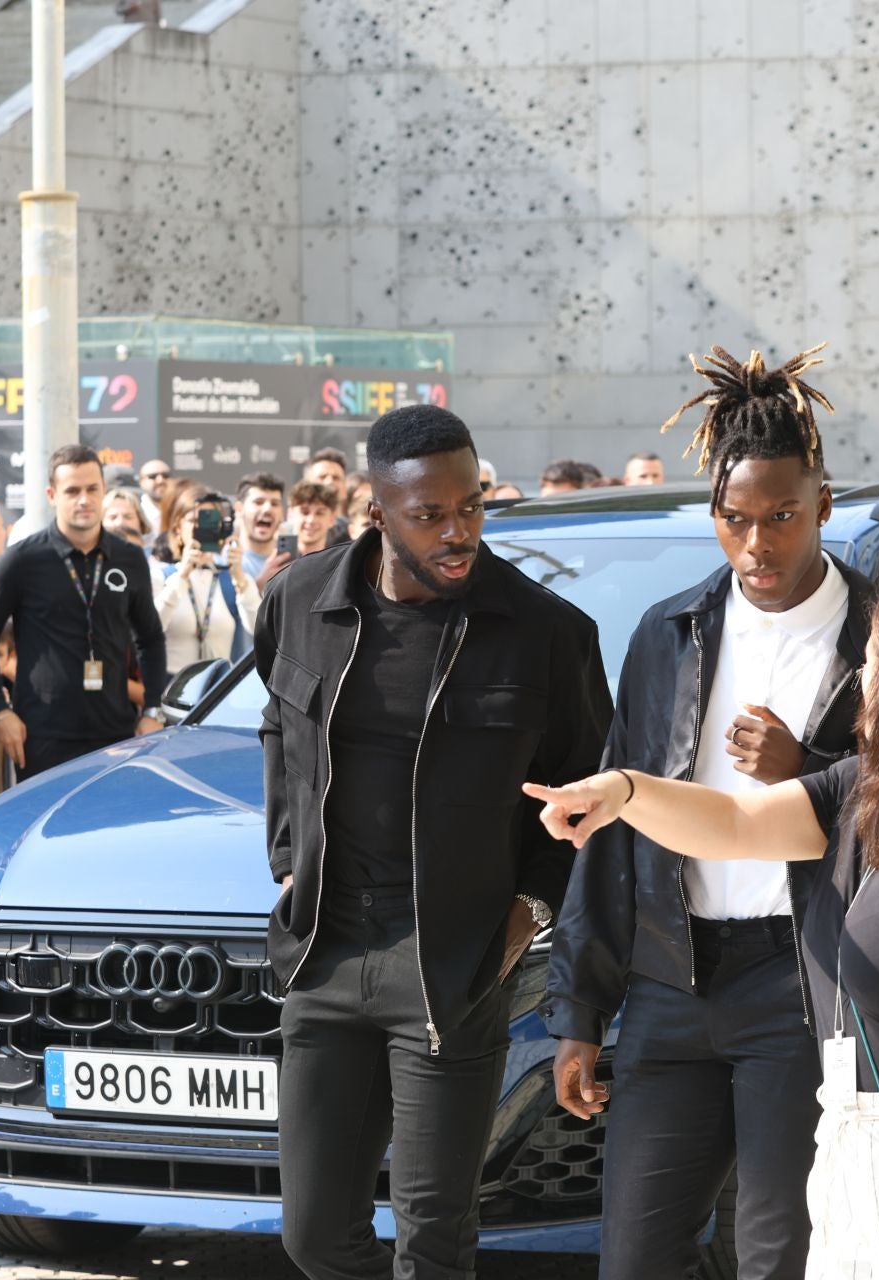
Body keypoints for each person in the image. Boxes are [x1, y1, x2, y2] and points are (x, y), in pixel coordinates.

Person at [527, 571, 879, 1280]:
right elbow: (733, 823)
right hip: (869, 1141)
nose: (863, 681)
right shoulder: (874, 787)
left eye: (876, 663)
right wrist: (622, 790)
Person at [258, 405, 611, 1280]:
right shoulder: (301, 598)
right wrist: (289, 856)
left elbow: (588, 799)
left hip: (452, 959)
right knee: (312, 1233)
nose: (458, 533)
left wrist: (529, 910)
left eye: (472, 507)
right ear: (376, 510)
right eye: (430, 515)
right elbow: (277, 727)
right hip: (326, 948)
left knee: (432, 1237)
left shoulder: (546, 633)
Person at [544, 343, 871, 1279]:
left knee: (780, 1256)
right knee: (636, 1258)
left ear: (824, 506)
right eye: (736, 521)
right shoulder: (670, 632)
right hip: (671, 982)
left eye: (783, 517)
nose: (759, 545)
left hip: (804, 983)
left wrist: (808, 769)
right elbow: (620, 827)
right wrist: (580, 1008)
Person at [0, 444, 167, 780]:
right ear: (52, 495)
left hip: (116, 734)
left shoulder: (129, 558)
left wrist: (152, 710)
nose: (84, 499)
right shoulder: (22, 560)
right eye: (72, 490)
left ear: (104, 490)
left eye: (92, 489)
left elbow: (150, 639)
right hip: (42, 736)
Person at [156, 489, 259, 677]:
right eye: (194, 521)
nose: (202, 528)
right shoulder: (160, 576)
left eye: (209, 521)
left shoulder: (233, 579)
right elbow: (151, 628)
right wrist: (182, 575)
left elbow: (259, 630)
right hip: (172, 689)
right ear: (178, 528)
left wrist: (240, 580)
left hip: (217, 692)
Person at [235, 473, 287, 578]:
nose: (268, 509)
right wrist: (262, 585)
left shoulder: (292, 564)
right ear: (239, 509)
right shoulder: (223, 562)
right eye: (258, 502)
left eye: (275, 504)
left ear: (282, 513)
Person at [288, 480, 340, 558]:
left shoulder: (341, 564)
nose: (311, 520)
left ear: (332, 519)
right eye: (305, 512)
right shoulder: (271, 561)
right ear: (290, 515)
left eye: (320, 513)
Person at [137, 459, 173, 533]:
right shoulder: (135, 512)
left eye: (165, 476)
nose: (160, 480)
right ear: (141, 482)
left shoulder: (183, 511)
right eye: (153, 476)